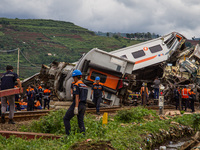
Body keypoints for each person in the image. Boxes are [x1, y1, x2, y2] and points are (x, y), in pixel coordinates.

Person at [63, 70, 88, 135]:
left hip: (77, 104)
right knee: (80, 121)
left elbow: (77, 96)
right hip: (84, 105)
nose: (73, 79)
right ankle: (83, 135)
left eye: (74, 77)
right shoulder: (85, 86)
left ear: (76, 77)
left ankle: (68, 135)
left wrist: (76, 107)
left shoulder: (76, 85)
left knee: (66, 118)